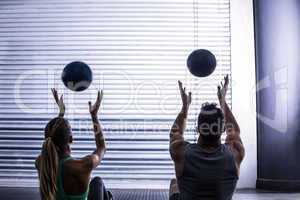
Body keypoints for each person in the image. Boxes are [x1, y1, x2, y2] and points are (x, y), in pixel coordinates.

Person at [169, 75, 245, 200]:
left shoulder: (181, 152)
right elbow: (235, 131)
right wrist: (222, 100)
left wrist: (185, 107)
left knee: (174, 183)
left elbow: (175, 133)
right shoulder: (235, 152)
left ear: (198, 129)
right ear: (223, 129)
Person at [35, 89, 113, 200]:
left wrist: (61, 113)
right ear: (71, 139)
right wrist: (94, 116)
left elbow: (54, 136)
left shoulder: (41, 163)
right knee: (97, 182)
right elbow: (101, 147)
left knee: (106, 193)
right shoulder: (82, 165)